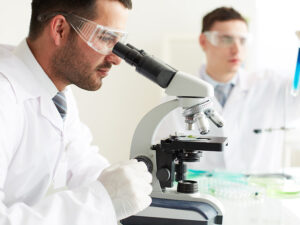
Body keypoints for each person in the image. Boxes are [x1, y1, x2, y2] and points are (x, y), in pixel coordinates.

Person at [0, 0, 153, 224]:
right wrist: (101, 201)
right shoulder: (4, 94)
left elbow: (82, 164)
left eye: (120, 42)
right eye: (106, 38)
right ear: (60, 29)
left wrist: (131, 187)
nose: (117, 59)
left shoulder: (57, 92)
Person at [156, 7, 300, 174]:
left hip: (260, 197)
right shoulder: (175, 99)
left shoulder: (273, 86)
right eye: (226, 39)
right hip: (202, 197)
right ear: (203, 42)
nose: (237, 49)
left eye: (242, 40)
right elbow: (160, 157)